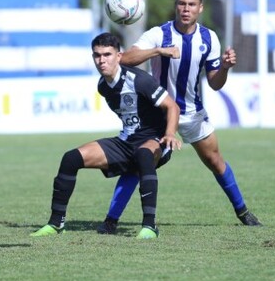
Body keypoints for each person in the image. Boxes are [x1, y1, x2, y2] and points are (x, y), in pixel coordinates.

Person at [97, 0, 262, 235]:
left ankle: (243, 212)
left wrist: (226, 68)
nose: (186, 9)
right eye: (182, 4)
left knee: (215, 160)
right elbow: (125, 59)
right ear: (176, 6)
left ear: (200, 8)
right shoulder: (158, 34)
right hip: (159, 115)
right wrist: (158, 51)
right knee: (140, 162)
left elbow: (216, 83)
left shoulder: (209, 38)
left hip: (193, 113)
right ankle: (110, 221)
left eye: (192, 5)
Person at [30, 32, 182, 239]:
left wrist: (170, 134)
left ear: (118, 56)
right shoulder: (103, 86)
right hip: (126, 141)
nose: (102, 60)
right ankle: (56, 223)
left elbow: (172, 107)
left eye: (107, 54)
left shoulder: (139, 80)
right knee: (70, 158)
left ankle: (150, 226)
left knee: (143, 156)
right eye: (97, 55)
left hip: (155, 141)